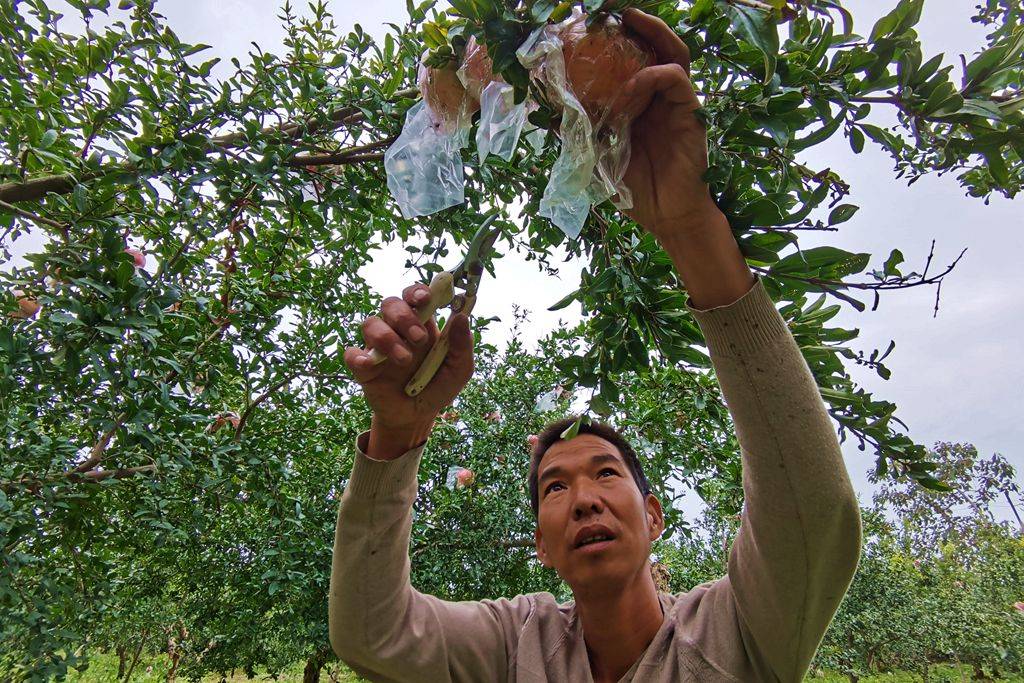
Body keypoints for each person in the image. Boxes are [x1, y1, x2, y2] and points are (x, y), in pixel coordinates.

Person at [329, 8, 861, 682]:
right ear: (542, 545)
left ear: (654, 515)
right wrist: (396, 433)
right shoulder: (513, 644)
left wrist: (693, 228)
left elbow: (815, 514)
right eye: (556, 486)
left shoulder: (735, 638)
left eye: (605, 473)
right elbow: (371, 632)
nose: (583, 498)